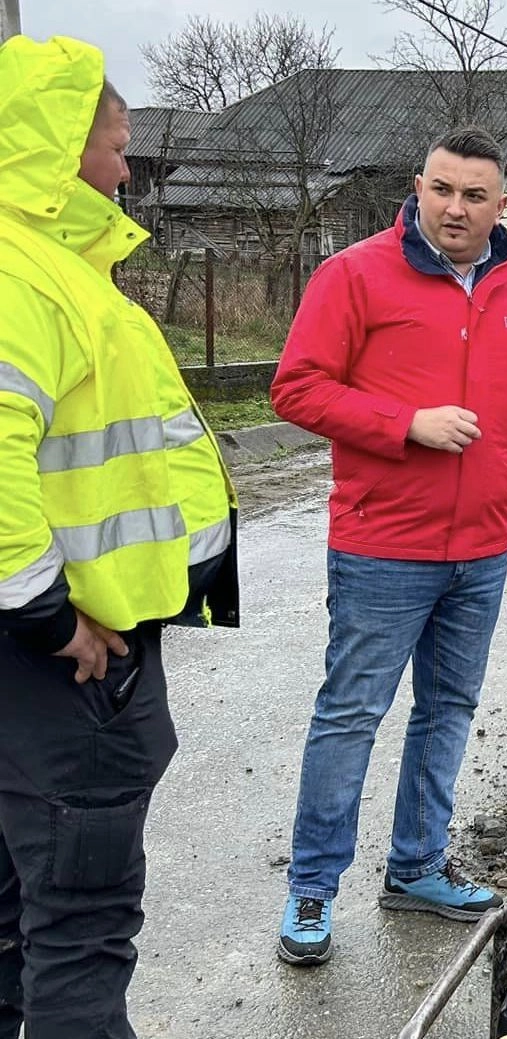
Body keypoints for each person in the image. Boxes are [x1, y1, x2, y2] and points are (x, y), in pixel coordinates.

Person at [269, 126, 507, 967]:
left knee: (448, 710)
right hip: (382, 546)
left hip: (480, 549)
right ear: (418, 187)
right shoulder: (355, 274)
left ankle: (415, 866)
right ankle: (312, 884)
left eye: (474, 195)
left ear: (500, 205)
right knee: (350, 714)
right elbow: (296, 387)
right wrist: (405, 423)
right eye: (442, 189)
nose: (455, 208)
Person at [0, 36, 239, 1038]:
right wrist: (48, 616)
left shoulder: (56, 270)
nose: (127, 170)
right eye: (116, 143)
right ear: (60, 148)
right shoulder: (29, 280)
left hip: (59, 658)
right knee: (79, 933)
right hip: (66, 666)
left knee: (15, 923)